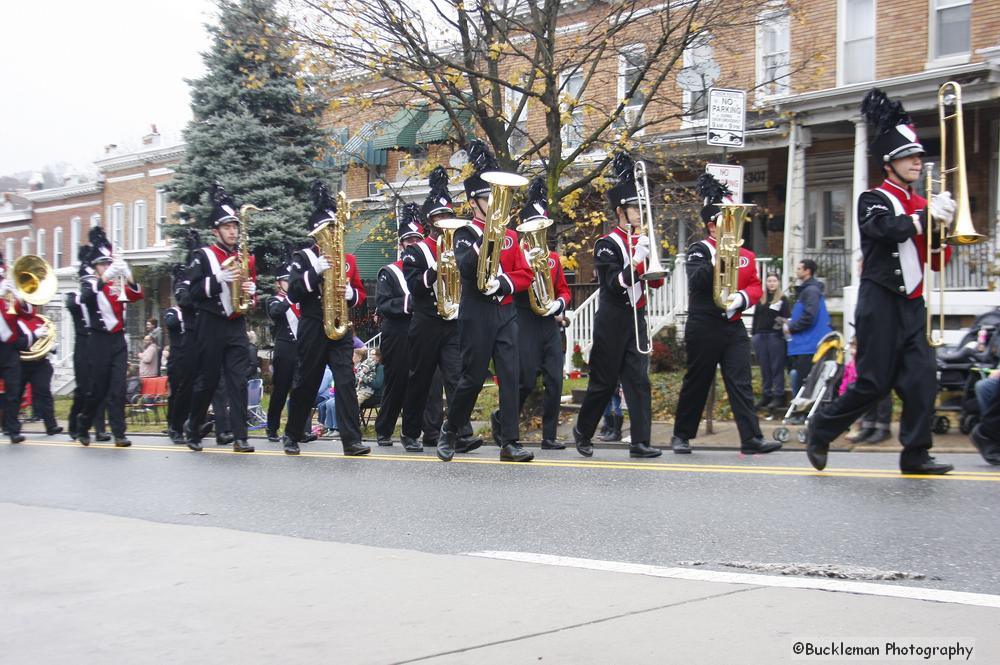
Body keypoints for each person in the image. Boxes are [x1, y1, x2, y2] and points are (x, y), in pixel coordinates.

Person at [806, 88, 955, 474]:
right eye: (909, 156)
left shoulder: (924, 204)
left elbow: (938, 261)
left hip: (913, 303)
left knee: (922, 380)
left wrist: (947, 228)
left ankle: (916, 454)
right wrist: (924, 220)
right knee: (873, 383)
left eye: (919, 156)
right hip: (880, 300)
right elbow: (884, 230)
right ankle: (821, 429)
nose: (917, 163)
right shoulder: (872, 198)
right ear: (889, 163)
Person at [670, 172, 781, 456]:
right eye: (726, 219)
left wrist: (743, 298)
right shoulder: (698, 250)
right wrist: (720, 257)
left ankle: (751, 438)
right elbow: (696, 282)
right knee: (698, 380)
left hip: (733, 324)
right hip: (704, 324)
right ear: (711, 225)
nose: (733, 225)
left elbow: (756, 285)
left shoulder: (748, 254)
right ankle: (681, 435)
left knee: (741, 382)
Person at [437, 140, 534, 463]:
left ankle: (510, 441)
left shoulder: (512, 235)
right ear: (472, 201)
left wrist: (504, 282)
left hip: (505, 309)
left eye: (496, 197)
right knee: (472, 378)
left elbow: (525, 274)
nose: (494, 203)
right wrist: (484, 242)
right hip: (476, 313)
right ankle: (450, 430)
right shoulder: (465, 231)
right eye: (487, 197)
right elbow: (465, 266)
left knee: (511, 376)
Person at [572, 152, 664, 459]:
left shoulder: (641, 238)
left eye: (640, 207)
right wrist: (637, 260)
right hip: (612, 319)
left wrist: (651, 263)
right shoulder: (606, 243)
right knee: (604, 381)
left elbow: (653, 281)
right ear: (620, 210)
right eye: (635, 208)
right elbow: (612, 284)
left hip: (636, 316)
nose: (640, 212)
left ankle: (640, 441)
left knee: (638, 381)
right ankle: (583, 431)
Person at [281, 181, 370, 457]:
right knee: (307, 381)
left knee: (344, 382)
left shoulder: (348, 260)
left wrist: (350, 292)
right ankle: (292, 434)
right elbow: (294, 293)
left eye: (334, 229)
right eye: (327, 230)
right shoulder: (304, 257)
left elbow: (362, 298)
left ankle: (351, 440)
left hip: (340, 326)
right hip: (313, 324)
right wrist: (314, 272)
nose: (331, 234)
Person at [399, 166, 476, 453]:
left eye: (447, 216)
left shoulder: (460, 247)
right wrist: (432, 271)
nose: (444, 221)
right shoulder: (417, 251)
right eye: (439, 218)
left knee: (457, 378)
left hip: (452, 321)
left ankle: (460, 432)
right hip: (427, 321)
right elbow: (414, 287)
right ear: (430, 222)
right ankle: (410, 433)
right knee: (420, 379)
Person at [183, 184, 258, 453]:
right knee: (208, 380)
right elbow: (192, 292)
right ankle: (193, 427)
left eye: (235, 227)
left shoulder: (243, 257)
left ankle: (240, 437)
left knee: (238, 381)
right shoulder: (203, 256)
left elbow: (250, 298)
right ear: (216, 231)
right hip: (211, 322)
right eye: (227, 227)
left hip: (235, 323)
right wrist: (217, 280)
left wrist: (252, 291)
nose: (232, 231)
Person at [515, 176, 571, 450]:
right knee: (525, 379)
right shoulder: (516, 253)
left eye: (542, 228)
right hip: (524, 321)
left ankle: (549, 436)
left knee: (555, 380)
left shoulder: (553, 259)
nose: (539, 234)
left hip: (548, 322)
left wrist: (557, 305)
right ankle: (505, 421)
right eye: (534, 229)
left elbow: (564, 291)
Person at [76, 226, 144, 447]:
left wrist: (128, 274)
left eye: (108, 263)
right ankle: (84, 423)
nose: (107, 266)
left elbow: (137, 295)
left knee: (118, 388)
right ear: (95, 267)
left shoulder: (116, 283)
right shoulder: (91, 284)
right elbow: (85, 298)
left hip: (117, 339)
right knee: (98, 389)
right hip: (98, 340)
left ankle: (119, 432)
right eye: (103, 264)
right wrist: (105, 277)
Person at [374, 203, 427, 450]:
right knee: (396, 383)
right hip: (396, 332)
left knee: (417, 384)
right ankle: (384, 430)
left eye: (418, 239)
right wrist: (411, 302)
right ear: (402, 244)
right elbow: (384, 304)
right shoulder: (389, 272)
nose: (413, 244)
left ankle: (410, 434)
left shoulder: (427, 269)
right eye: (409, 240)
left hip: (420, 329)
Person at [66, 245, 108, 442]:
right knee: (84, 388)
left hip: (97, 342)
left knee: (99, 386)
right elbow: (78, 302)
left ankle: (99, 429)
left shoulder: (97, 295)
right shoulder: (74, 298)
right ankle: (74, 423)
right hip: (82, 346)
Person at [164, 232, 202, 445]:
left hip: (206, 334)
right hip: (188, 339)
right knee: (185, 386)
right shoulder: (183, 281)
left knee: (204, 385)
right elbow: (185, 299)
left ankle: (194, 424)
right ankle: (176, 426)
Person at [784, 260, 830, 395]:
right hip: (805, 343)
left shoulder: (811, 291)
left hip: (809, 344)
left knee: (804, 380)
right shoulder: (809, 289)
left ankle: (803, 411)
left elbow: (809, 317)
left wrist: (790, 326)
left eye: (799, 268)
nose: (796, 271)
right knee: (799, 377)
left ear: (807, 271)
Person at [265, 258, 299, 442]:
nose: (290, 284)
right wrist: (290, 297)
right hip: (284, 350)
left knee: (299, 391)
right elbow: (276, 312)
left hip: (300, 349)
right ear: (279, 283)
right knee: (281, 390)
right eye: (287, 280)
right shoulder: (274, 300)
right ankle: (272, 428)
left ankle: (297, 429)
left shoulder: (299, 300)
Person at [751, 272, 790, 412]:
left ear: (778, 282)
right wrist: (754, 334)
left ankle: (778, 395)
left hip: (775, 336)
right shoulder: (761, 299)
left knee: (776, 367)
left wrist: (779, 329)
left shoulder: (783, 299)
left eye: (774, 281)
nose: (771, 283)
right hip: (760, 336)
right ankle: (766, 394)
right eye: (769, 281)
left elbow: (786, 318)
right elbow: (756, 317)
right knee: (764, 367)